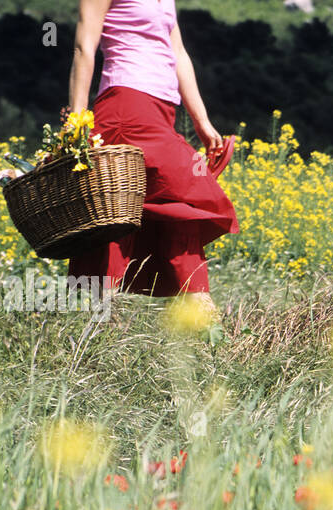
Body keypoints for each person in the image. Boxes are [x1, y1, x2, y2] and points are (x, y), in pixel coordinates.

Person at [67, 0, 238, 304]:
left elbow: (179, 55)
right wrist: (76, 120)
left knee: (162, 209)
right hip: (125, 106)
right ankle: (99, 315)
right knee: (151, 202)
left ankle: (200, 316)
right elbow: (84, 47)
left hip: (161, 112)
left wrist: (201, 120)